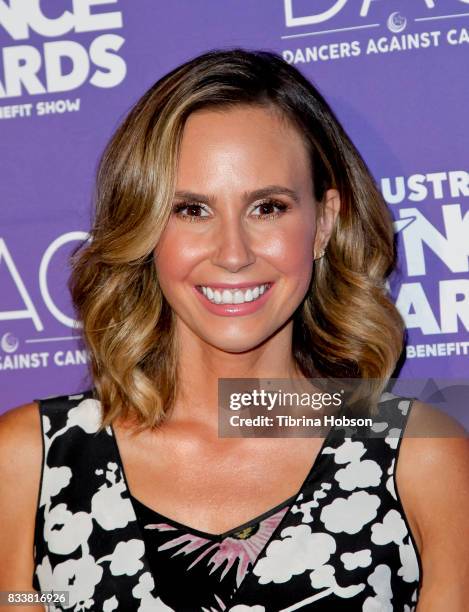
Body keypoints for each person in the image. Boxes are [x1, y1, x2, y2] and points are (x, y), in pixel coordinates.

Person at [0, 48, 468, 612]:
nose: (233, 254)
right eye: (191, 210)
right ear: (145, 228)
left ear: (323, 223)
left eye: (267, 207)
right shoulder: (31, 460)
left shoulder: (419, 455)